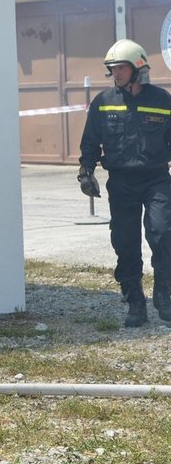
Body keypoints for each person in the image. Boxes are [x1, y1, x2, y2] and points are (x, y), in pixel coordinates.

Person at [78, 39, 171, 327]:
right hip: (121, 183)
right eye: (112, 69)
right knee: (125, 242)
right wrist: (86, 171)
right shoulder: (103, 103)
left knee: (163, 234)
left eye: (120, 68)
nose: (115, 74)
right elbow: (91, 141)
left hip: (156, 179)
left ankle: (164, 296)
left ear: (138, 68)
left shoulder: (162, 101)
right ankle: (135, 302)